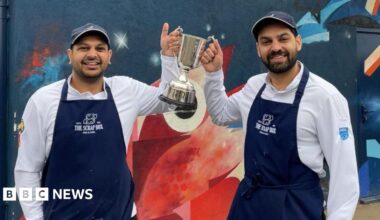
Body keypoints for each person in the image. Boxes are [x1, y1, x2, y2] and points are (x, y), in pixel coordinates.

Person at [199, 11, 359, 219]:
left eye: (283, 38)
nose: (275, 48)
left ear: (298, 42)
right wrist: (213, 74)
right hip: (249, 204)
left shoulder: (325, 97)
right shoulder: (254, 86)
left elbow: (344, 175)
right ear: (258, 49)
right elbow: (221, 114)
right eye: (266, 42)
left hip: (295, 207)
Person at [14, 22, 181, 220]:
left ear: (109, 56)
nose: (92, 54)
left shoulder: (125, 90)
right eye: (83, 48)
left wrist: (169, 58)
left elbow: (171, 102)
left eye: (100, 48)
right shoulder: (42, 101)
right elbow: (27, 170)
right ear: (70, 55)